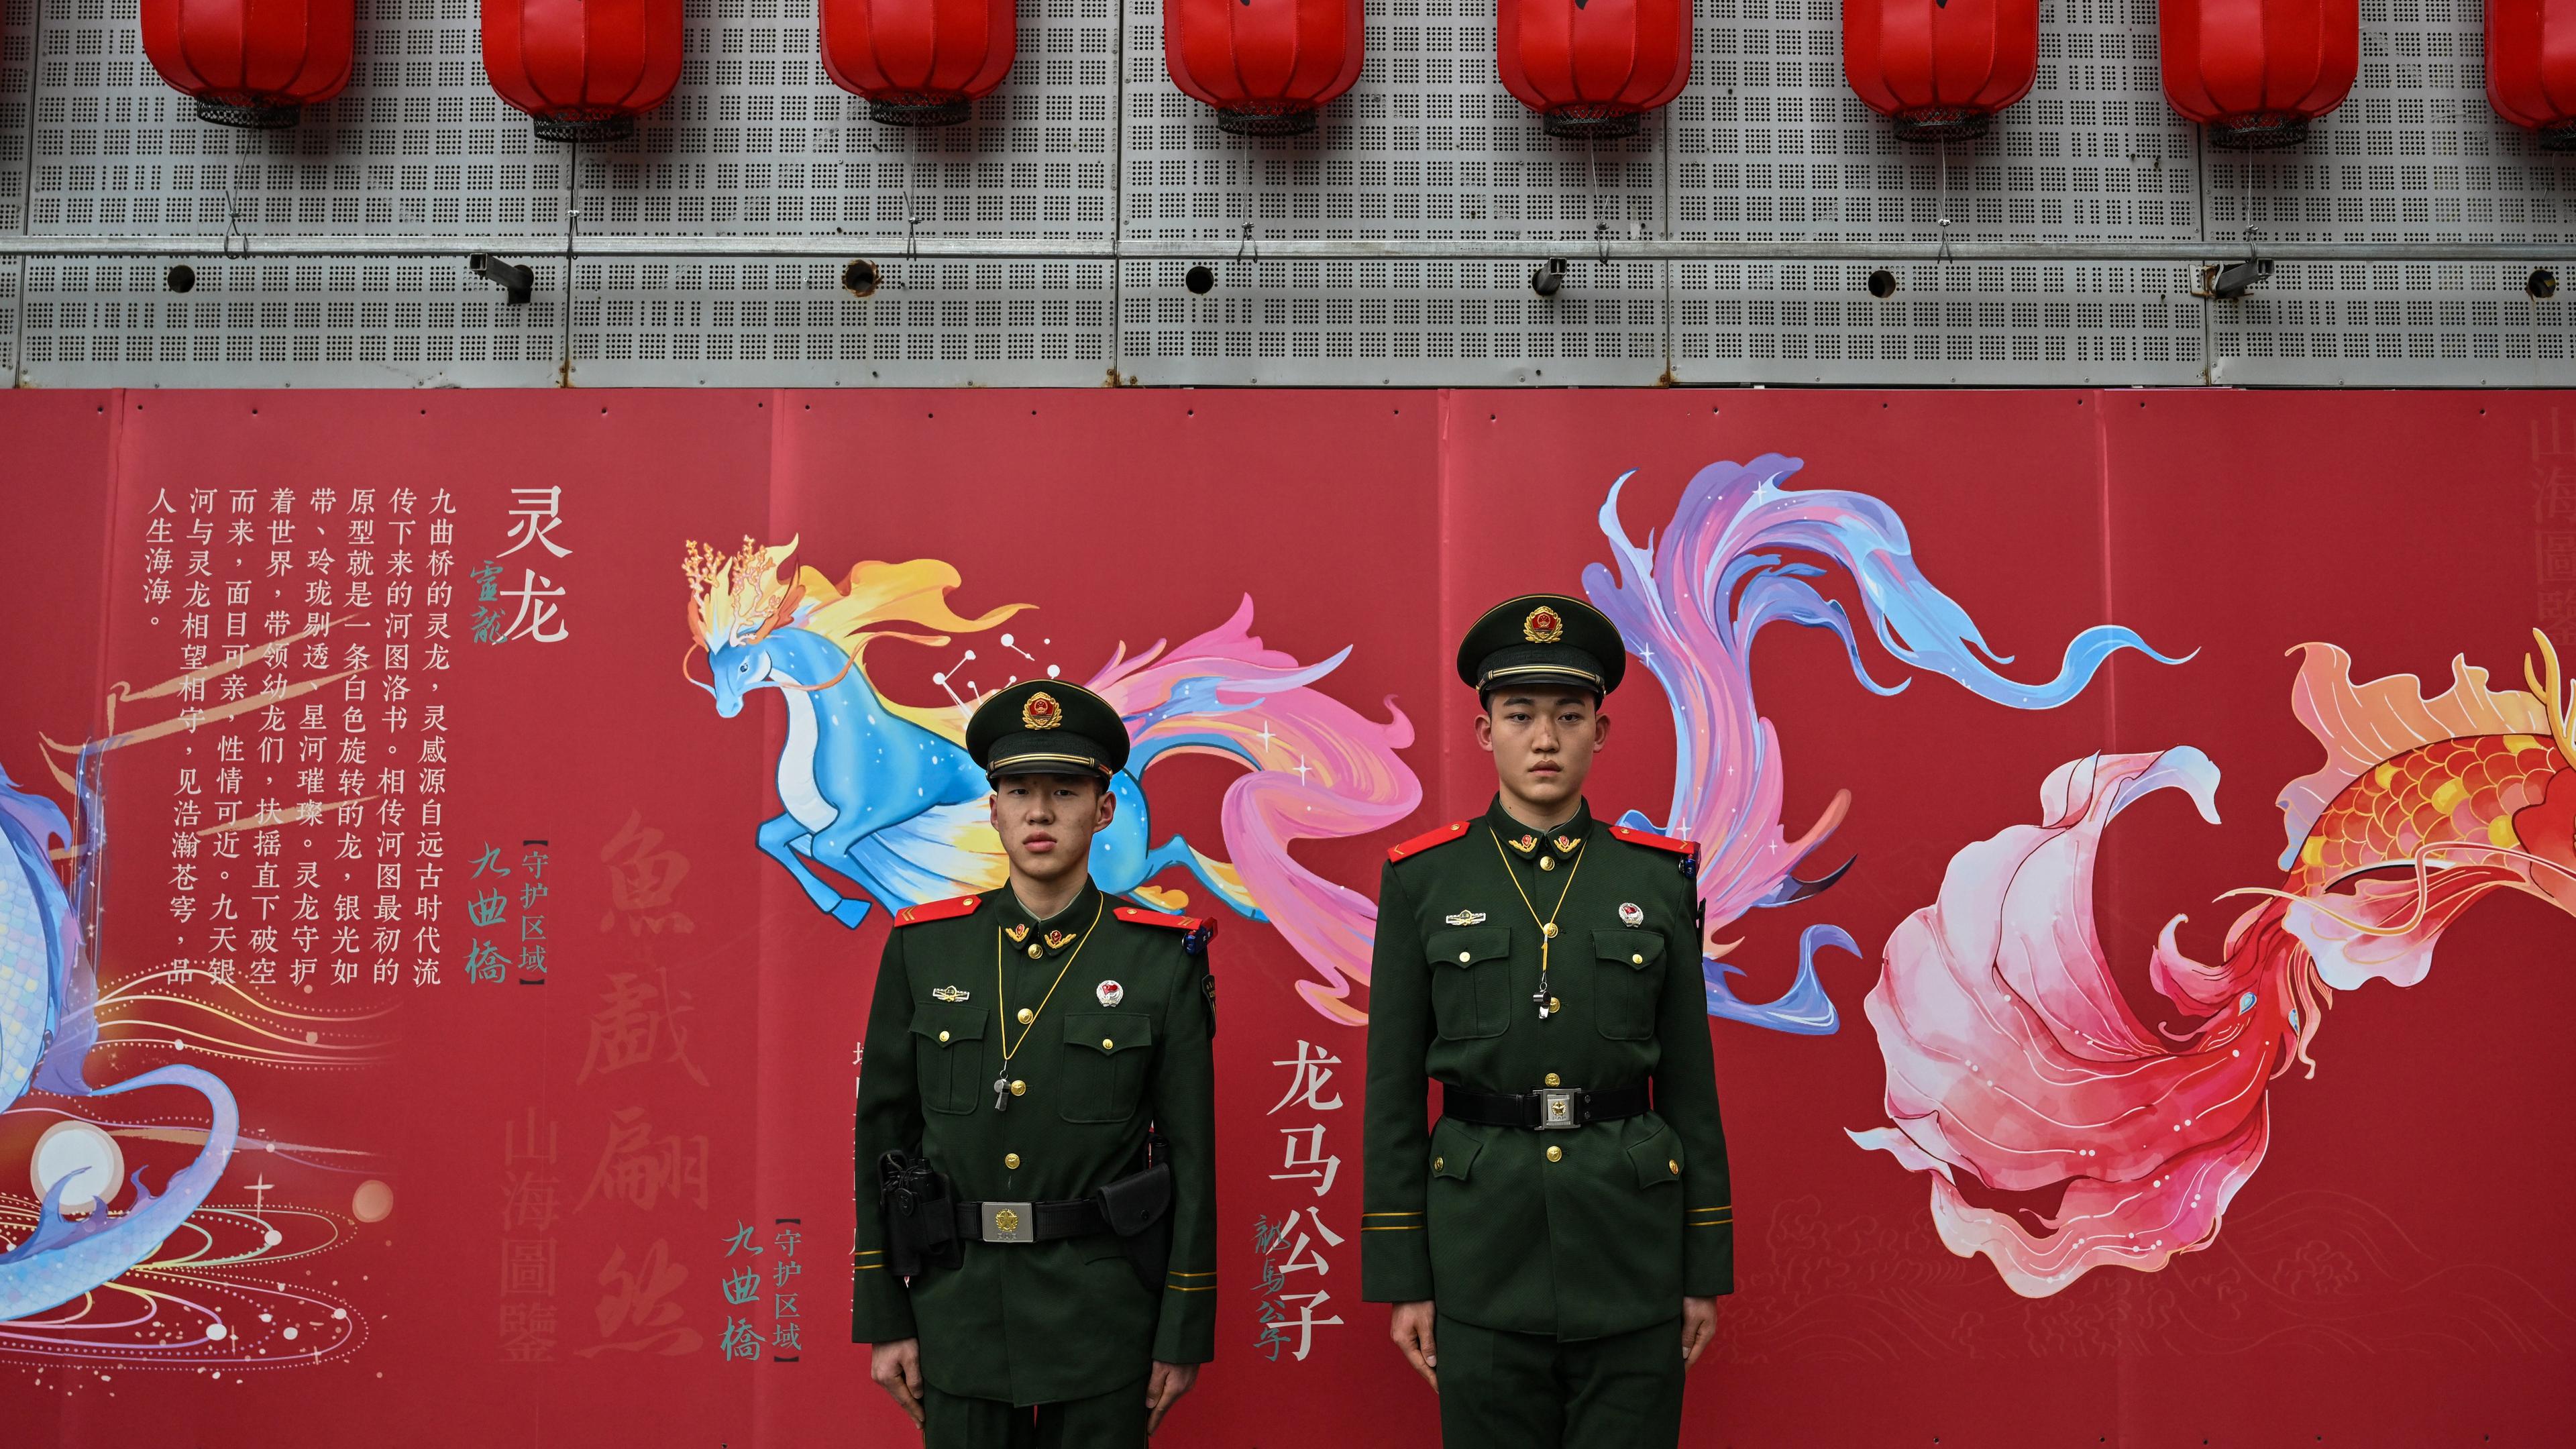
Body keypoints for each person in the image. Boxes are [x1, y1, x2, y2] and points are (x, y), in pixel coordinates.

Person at [1360, 594, 1733, 1449]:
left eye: (1570, 716)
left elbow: (1689, 1085)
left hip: (1631, 1251)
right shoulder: (1425, 880)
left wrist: (1701, 1269)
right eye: (1519, 714)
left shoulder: (1657, 881)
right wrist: (1404, 1279)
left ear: (1600, 734)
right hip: (1480, 1253)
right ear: (1485, 729)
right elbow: (1390, 1096)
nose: (1545, 738)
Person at [853, 680, 1218, 1448]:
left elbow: (1191, 1155)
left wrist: (1181, 1329)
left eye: (1064, 791)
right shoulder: (925, 949)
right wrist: (885, 1314)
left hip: (1104, 1320)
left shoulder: (1159, 959)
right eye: (1019, 791)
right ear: (993, 810)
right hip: (957, 1317)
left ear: (1105, 808)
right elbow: (881, 1139)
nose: (1040, 813)